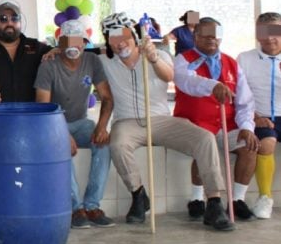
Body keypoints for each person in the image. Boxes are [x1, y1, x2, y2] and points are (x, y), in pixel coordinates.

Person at [99, 12, 233, 231]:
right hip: (127, 121)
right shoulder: (103, 60)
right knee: (118, 144)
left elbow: (168, 76)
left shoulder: (158, 53)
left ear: (134, 35)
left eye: (123, 35)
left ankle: (215, 203)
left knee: (204, 138)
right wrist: (56, 50)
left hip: (161, 119)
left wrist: (152, 58)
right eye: (112, 37)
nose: (119, 42)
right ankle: (139, 195)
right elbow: (78, 57)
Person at [174, 18, 258, 221]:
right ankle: (197, 199)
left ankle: (237, 200)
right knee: (204, 141)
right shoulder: (183, 60)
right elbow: (188, 82)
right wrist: (213, 85)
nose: (211, 39)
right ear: (196, 37)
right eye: (206, 35)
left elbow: (245, 101)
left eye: (215, 35)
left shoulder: (231, 63)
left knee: (250, 145)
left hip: (227, 124)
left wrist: (247, 126)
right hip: (194, 122)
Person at [34, 20, 115, 229]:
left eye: (78, 42)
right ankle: (75, 208)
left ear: (84, 42)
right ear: (60, 43)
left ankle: (91, 206)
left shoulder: (92, 61)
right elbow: (44, 108)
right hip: (53, 125)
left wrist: (102, 127)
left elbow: (107, 97)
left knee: (104, 144)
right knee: (62, 148)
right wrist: (61, 133)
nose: (74, 47)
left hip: (81, 123)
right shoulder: (48, 65)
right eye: (68, 41)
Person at [237, 12, 281, 219]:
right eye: (264, 32)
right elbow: (238, 94)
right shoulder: (245, 59)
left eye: (275, 31)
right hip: (260, 115)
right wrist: (254, 116)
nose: (270, 38)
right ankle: (265, 198)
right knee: (266, 144)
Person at [0, 0, 52, 102]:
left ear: (20, 23)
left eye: (14, 19)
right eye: (3, 19)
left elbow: (58, 54)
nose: (9, 23)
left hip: (29, 114)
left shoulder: (35, 47)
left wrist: (55, 50)